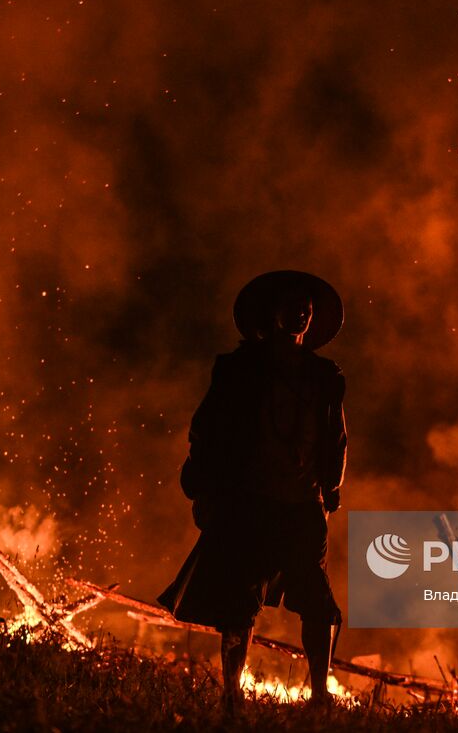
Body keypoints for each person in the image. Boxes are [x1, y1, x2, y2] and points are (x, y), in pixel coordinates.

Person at [158, 270, 348, 713]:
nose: (300, 312)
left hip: (303, 504)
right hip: (250, 502)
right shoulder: (239, 369)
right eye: (291, 305)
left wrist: (330, 488)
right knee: (238, 605)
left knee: (318, 604)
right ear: (272, 313)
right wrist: (206, 486)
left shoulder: (325, 376)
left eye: (307, 307)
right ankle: (231, 692)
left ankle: (320, 696)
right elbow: (206, 430)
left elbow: (336, 436)